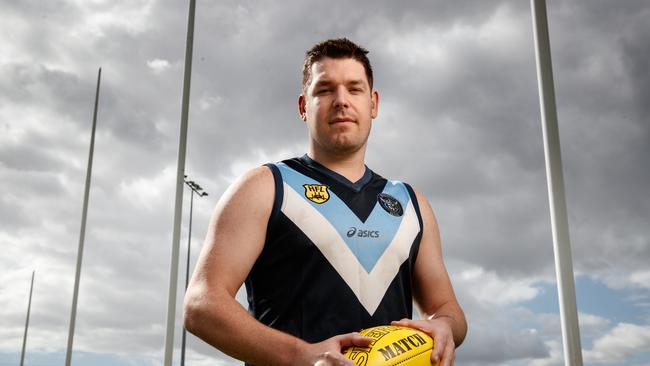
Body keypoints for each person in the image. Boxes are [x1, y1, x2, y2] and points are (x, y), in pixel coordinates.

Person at [184, 38, 467, 366]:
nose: (341, 101)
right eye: (325, 90)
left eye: (354, 89)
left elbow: (447, 310)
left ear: (373, 104)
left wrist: (445, 326)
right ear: (304, 106)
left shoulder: (410, 204)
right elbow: (202, 304)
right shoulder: (264, 187)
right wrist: (301, 355)